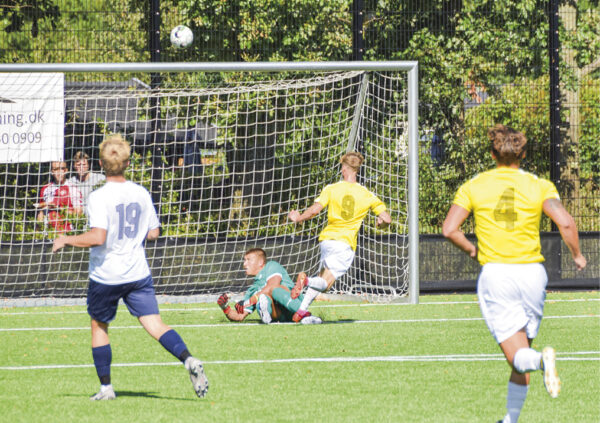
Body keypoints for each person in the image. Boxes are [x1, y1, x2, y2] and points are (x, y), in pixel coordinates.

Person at [441, 124, 587, 423]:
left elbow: (449, 230)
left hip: (498, 276)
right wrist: (577, 255)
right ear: (522, 153)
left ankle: (542, 362)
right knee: (520, 356)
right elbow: (567, 223)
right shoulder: (539, 185)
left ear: (492, 153)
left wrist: (472, 251)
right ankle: (511, 419)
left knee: (520, 357)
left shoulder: (475, 185)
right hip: (533, 275)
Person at [52, 134, 208, 400]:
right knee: (155, 324)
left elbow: (98, 237)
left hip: (107, 275)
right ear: (127, 163)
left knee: (99, 326)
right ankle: (188, 359)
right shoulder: (141, 192)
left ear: (101, 163)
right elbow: (154, 232)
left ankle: (106, 389)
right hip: (137, 272)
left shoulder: (99, 196)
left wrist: (66, 239)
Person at [287, 152, 392, 322]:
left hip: (327, 240)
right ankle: (305, 282)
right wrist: (381, 224)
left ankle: (301, 310)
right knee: (325, 285)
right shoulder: (367, 194)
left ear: (344, 168)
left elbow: (315, 210)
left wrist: (298, 218)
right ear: (357, 170)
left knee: (322, 278)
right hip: (344, 244)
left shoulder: (332, 189)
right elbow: (387, 219)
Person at [216, 248, 322, 324]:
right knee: (263, 298)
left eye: (248, 260)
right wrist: (226, 308)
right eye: (244, 260)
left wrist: (247, 302)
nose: (244, 264)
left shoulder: (271, 266)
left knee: (274, 290)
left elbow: (273, 285)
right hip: (279, 315)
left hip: (293, 304)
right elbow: (239, 316)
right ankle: (266, 315)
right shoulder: (252, 289)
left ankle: (305, 314)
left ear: (261, 262)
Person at [36, 160, 84, 233]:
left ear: (66, 170)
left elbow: (78, 214)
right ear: (52, 171)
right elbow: (41, 213)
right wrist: (37, 233)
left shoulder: (73, 189)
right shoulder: (45, 189)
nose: (59, 172)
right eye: (56, 169)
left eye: (62, 169)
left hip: (67, 233)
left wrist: (57, 208)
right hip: (48, 234)